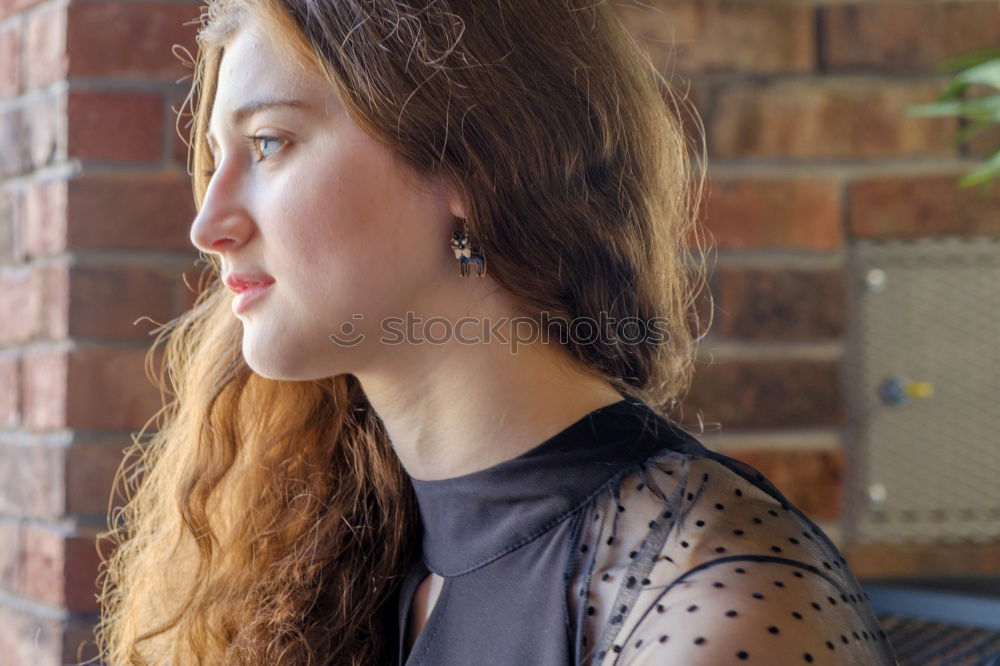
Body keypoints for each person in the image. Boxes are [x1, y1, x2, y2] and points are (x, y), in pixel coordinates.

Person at [93, 0, 898, 664]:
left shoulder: (702, 587)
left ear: (469, 159)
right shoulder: (318, 550)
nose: (209, 224)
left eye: (269, 142)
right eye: (216, 156)